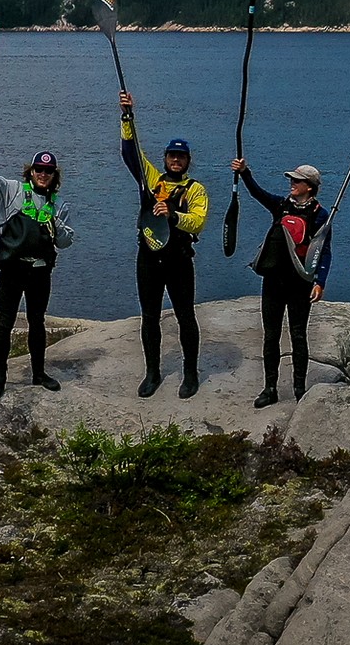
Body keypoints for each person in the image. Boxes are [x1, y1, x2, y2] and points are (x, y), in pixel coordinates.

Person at [119, 88, 209, 399]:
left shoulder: (196, 189)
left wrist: (172, 215)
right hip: (148, 259)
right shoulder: (153, 181)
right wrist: (127, 118)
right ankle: (153, 372)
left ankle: (190, 373)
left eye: (181, 157)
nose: (175, 160)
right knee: (150, 317)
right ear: (166, 158)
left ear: (187, 161)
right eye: (172, 156)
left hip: (179, 260)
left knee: (185, 316)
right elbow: (131, 153)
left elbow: (198, 222)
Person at [0, 133, 74, 400]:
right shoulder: (12, 190)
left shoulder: (60, 205)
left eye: (48, 171)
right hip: (13, 271)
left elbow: (65, 242)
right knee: (4, 324)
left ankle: (39, 374)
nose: (43, 174)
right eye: (39, 169)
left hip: (40, 272)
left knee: (37, 322)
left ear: (54, 175)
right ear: (31, 171)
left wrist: (56, 226)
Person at [231, 155, 332, 406]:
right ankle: (270, 388)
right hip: (274, 281)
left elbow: (324, 250)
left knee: (298, 336)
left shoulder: (321, 215)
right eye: (292, 180)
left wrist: (320, 281)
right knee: (271, 336)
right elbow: (258, 193)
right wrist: (245, 172)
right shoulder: (281, 206)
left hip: (300, 282)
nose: (291, 183)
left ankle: (300, 388)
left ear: (309, 186)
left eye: (296, 181)